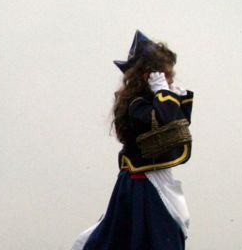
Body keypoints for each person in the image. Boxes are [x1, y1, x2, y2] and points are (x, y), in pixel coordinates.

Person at [74, 31, 195, 250]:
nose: (169, 80)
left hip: (156, 180)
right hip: (142, 185)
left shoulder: (155, 99)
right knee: (150, 239)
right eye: (165, 75)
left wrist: (172, 96)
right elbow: (163, 121)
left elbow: (179, 128)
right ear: (148, 75)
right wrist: (163, 94)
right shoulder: (136, 104)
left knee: (166, 235)